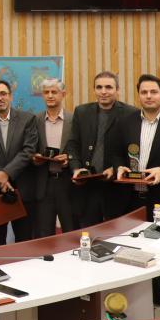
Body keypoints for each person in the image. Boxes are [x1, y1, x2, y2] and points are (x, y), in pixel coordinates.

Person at [111, 74, 160, 218]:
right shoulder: (124, 123)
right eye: (144, 92)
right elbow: (116, 154)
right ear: (139, 96)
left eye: (153, 92)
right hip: (131, 202)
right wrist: (119, 166)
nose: (148, 96)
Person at [65, 71, 137, 226]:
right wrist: (76, 168)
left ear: (117, 90)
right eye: (99, 87)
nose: (103, 91)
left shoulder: (131, 113)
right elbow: (72, 144)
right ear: (94, 90)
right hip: (86, 186)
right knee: (88, 232)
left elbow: (134, 149)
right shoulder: (81, 112)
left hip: (116, 187)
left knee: (116, 233)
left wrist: (116, 168)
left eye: (108, 87)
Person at [0, 80, 39, 246]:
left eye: (3, 94)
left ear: (11, 96)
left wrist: (6, 173)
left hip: (23, 188)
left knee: (24, 241)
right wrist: (0, 177)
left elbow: (28, 150)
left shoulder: (28, 119)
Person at [22, 79, 76, 238]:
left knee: (71, 231)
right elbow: (28, 148)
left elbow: (80, 149)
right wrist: (34, 158)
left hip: (67, 182)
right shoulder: (35, 120)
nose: (50, 96)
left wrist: (70, 158)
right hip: (43, 184)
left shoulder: (74, 119)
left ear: (63, 94)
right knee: (44, 234)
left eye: (54, 92)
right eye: (46, 92)